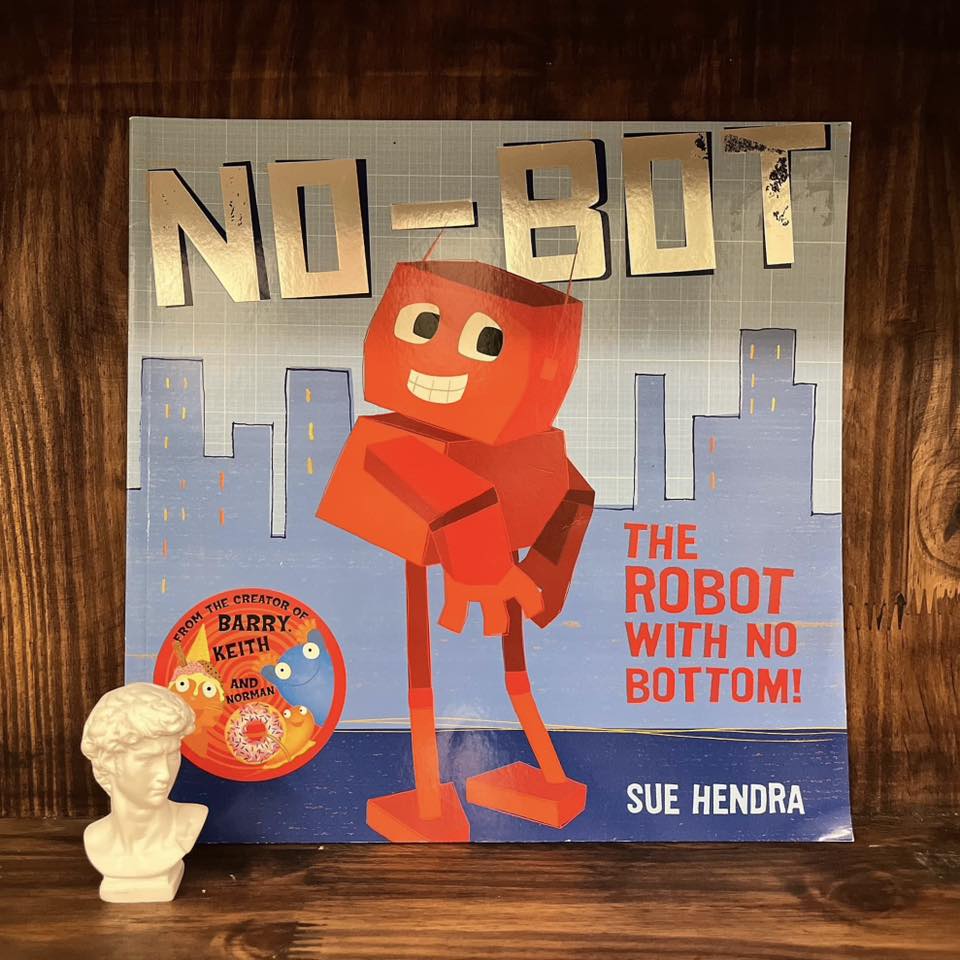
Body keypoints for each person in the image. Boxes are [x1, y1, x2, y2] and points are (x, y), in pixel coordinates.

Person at [80, 682, 207, 902]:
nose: (165, 774)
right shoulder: (97, 840)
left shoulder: (188, 824)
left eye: (172, 755)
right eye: (147, 760)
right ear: (108, 761)